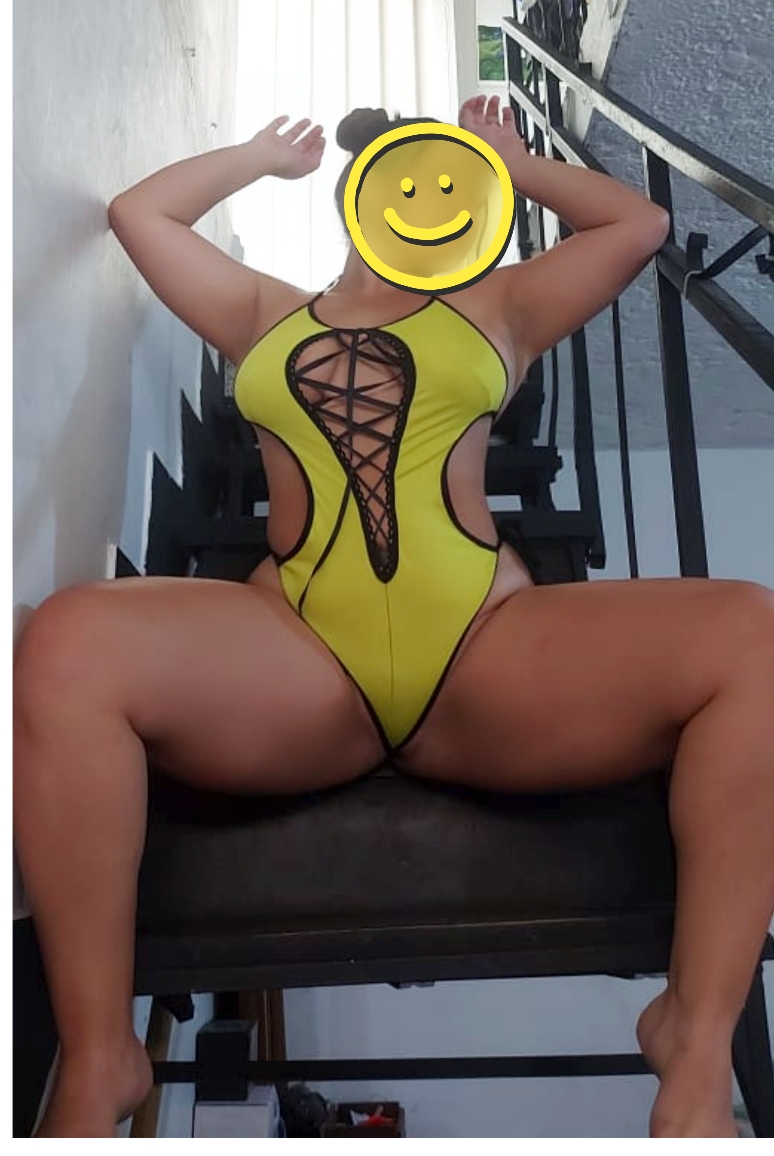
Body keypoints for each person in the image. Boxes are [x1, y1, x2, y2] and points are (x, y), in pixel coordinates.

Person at [13, 95, 774, 1138]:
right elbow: (140, 215)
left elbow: (636, 224)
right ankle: (102, 1052)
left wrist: (508, 160)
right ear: (362, 200)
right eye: (410, 183)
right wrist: (258, 157)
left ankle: (696, 1030)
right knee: (66, 639)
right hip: (295, 660)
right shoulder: (263, 312)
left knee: (754, 633)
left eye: (452, 186)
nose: (430, 200)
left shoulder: (502, 308)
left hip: (485, 656)